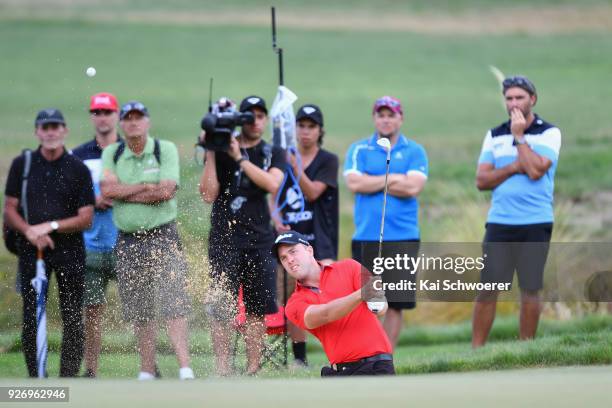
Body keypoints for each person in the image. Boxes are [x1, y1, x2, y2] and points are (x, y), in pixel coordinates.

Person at [100, 101, 194, 380]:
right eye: (127, 118)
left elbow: (165, 192)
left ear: (147, 122)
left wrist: (124, 192)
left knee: (173, 301)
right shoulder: (112, 152)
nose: (133, 123)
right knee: (139, 306)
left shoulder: (163, 149)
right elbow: (107, 190)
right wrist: (143, 186)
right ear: (121, 124)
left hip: (163, 235)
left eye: (138, 117)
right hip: (127, 240)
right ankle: (147, 370)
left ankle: (185, 367)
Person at [3, 109, 95, 377]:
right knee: (31, 315)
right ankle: (36, 377)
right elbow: (9, 208)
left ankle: (68, 377)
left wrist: (52, 226)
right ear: (37, 132)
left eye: (56, 127)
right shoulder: (24, 163)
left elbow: (86, 217)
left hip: (70, 250)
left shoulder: (77, 168)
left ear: (65, 130)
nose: (51, 132)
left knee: (72, 317)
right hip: (32, 249)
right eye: (45, 127)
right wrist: (30, 231)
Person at [472, 76, 561, 348]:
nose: (513, 103)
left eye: (519, 97)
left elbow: (535, 170)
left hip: (536, 222)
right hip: (500, 222)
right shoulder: (495, 134)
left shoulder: (549, 132)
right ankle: (476, 350)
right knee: (488, 288)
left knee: (530, 288)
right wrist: (512, 168)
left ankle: (526, 349)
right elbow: (482, 180)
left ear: (532, 99)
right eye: (509, 98)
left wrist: (520, 137)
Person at [199, 96, 285, 376]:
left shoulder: (274, 151)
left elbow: (272, 184)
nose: (256, 121)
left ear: (266, 120)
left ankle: (252, 367)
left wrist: (239, 158)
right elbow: (207, 194)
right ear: (240, 118)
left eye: (261, 116)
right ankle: (223, 368)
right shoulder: (221, 150)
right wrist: (211, 150)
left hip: (259, 239)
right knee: (222, 305)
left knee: (258, 307)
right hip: (224, 238)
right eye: (250, 116)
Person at [343, 96, 428, 348]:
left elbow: (413, 187)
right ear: (374, 118)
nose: (386, 119)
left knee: (396, 302)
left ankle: (386, 356)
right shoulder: (359, 149)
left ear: (400, 118)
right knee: (367, 301)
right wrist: (393, 178)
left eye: (391, 115)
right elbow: (354, 184)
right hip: (366, 236)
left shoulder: (415, 150)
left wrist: (375, 179)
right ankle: (367, 353)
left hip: (403, 236)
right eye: (381, 115)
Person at [271, 104, 339, 366]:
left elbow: (312, 192)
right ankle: (300, 358)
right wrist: (276, 219)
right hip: (289, 243)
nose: (306, 131)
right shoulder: (282, 157)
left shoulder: (327, 160)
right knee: (293, 301)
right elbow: (272, 195)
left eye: (312, 126)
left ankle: (338, 350)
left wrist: (294, 166)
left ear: (320, 130)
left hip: (320, 240)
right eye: (301, 125)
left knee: (329, 299)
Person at [275, 231, 394, 376]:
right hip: (343, 373)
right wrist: (361, 294)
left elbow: (382, 309)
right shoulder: (294, 304)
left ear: (309, 250)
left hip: (379, 366)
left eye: (293, 252)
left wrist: (378, 302)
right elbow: (325, 315)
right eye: (283, 258)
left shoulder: (349, 267)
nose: (290, 260)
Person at [72, 93, 121, 378]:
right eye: (97, 112)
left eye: (107, 112)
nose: (102, 117)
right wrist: (93, 200)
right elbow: (69, 195)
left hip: (125, 243)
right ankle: (91, 370)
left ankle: (149, 367)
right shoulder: (78, 155)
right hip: (90, 245)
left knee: (141, 310)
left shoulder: (127, 152)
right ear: (92, 116)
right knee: (91, 311)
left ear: (116, 115)